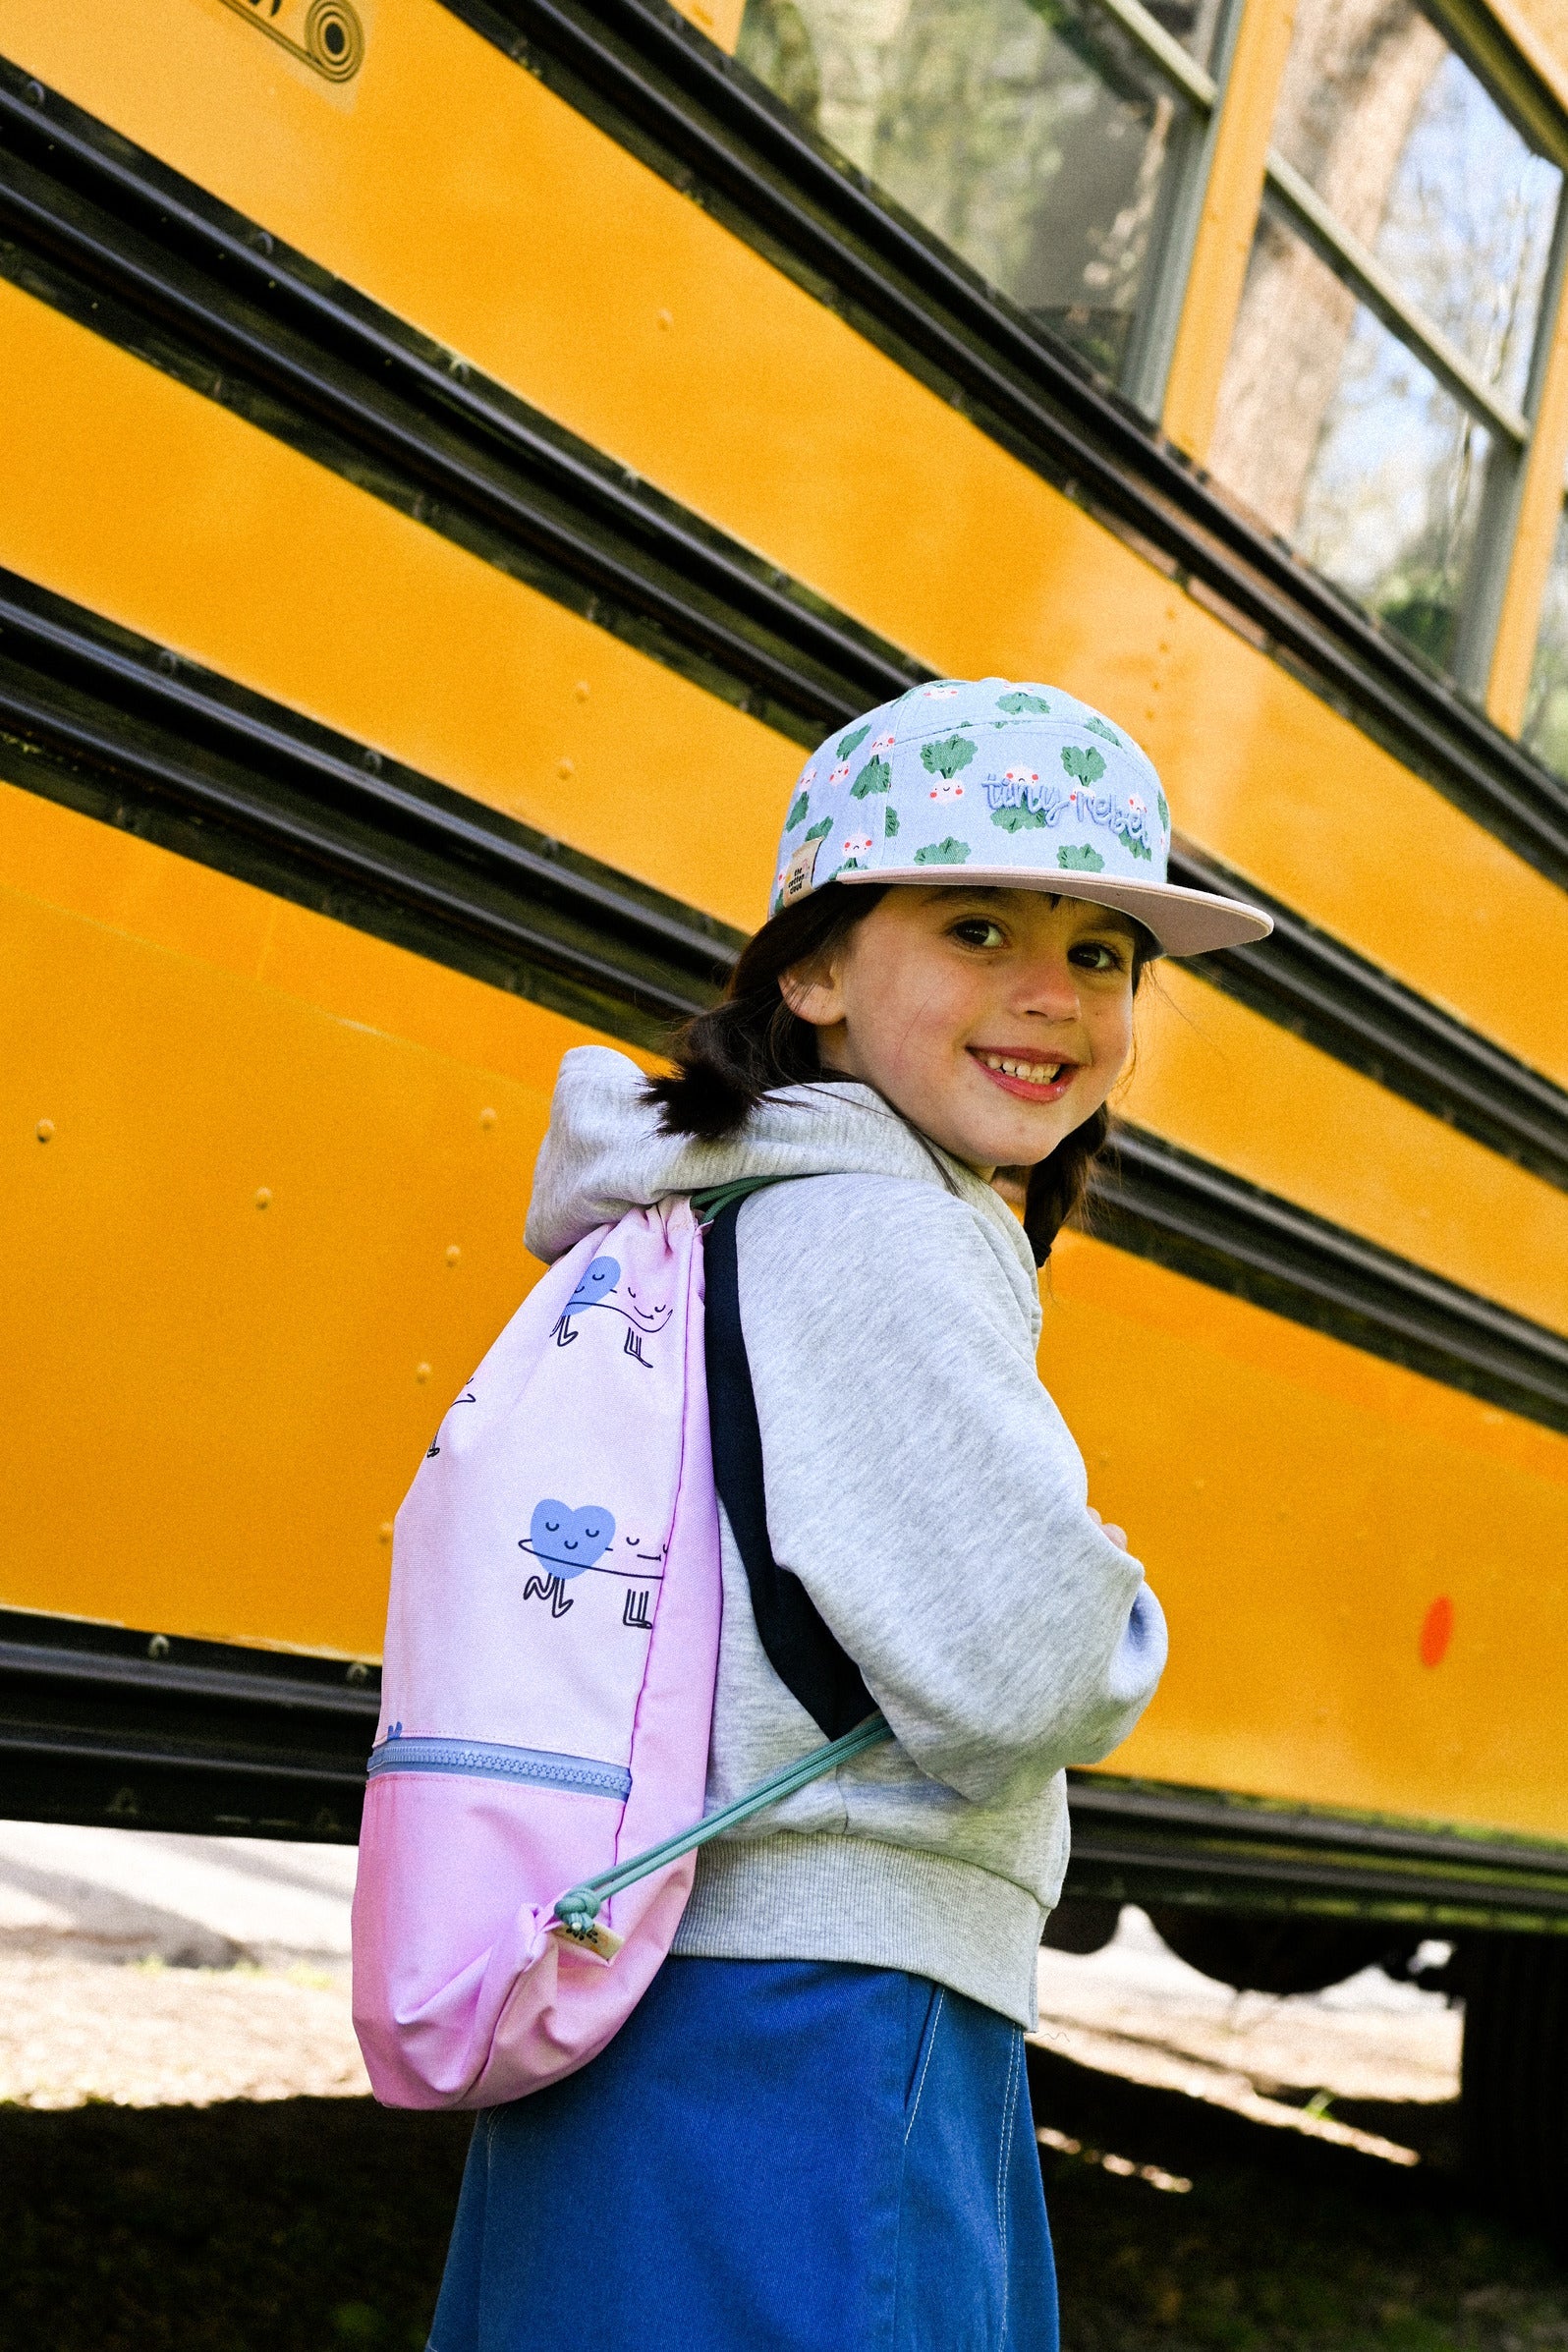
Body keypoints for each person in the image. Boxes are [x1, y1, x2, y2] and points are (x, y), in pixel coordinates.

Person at [425, 677, 1271, 2352]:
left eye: (1103, 952)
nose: (1055, 996)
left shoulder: (745, 1200)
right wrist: (1122, 1611)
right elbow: (1029, 1665)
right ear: (812, 969)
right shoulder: (879, 1232)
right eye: (978, 925)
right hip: (817, 2024)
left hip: (660, 1985)